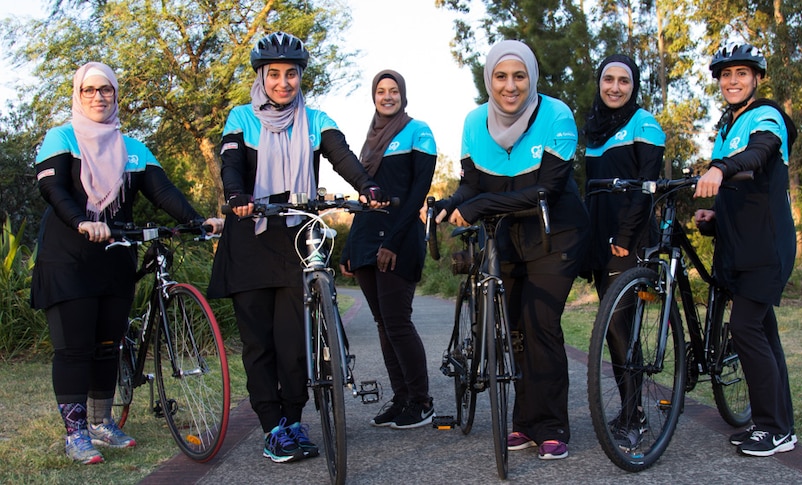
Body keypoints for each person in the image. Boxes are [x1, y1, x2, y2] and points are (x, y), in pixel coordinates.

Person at [207, 32, 387, 464]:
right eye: (274, 74)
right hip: (249, 237)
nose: (283, 82)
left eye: (291, 74)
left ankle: (294, 420)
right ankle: (272, 428)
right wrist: (236, 197)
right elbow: (231, 163)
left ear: (300, 76)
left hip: (294, 239)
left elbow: (343, 157)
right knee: (259, 343)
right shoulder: (241, 118)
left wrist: (367, 186)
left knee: (294, 342)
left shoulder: (316, 119)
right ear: (261, 76)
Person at [31, 62, 223, 465]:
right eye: (89, 90)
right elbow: (52, 188)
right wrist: (82, 221)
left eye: (106, 90)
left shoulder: (131, 148)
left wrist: (195, 220)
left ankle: (102, 424)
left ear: (116, 96)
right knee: (74, 348)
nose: (98, 97)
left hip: (115, 259)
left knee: (108, 345)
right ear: (78, 95)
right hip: (68, 258)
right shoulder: (62, 139)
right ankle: (75, 433)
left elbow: (162, 190)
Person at [434, 40, 590, 460]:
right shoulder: (473, 121)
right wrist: (451, 202)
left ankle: (553, 425)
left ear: (532, 78)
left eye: (519, 76)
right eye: (500, 76)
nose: (510, 85)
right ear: (489, 79)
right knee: (514, 332)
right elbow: (472, 184)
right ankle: (524, 422)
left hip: (555, 233)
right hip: (505, 237)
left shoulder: (556, 114)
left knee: (540, 325)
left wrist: (479, 206)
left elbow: (546, 190)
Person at [694, 42, 797, 457]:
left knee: (746, 329)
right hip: (740, 246)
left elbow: (759, 154)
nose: (732, 81)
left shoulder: (766, 117)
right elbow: (740, 191)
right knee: (764, 334)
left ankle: (770, 428)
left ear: (756, 78)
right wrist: (714, 218)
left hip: (766, 246)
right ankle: (780, 427)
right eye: (726, 74)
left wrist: (719, 167)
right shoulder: (726, 126)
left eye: (741, 73)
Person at [339, 70, 437, 429]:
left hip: (400, 236)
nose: (387, 96)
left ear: (403, 94)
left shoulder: (418, 131)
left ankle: (422, 400)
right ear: (374, 97)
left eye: (393, 90)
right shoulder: (370, 138)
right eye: (381, 91)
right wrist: (350, 244)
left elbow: (417, 194)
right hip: (365, 236)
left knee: (397, 321)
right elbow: (364, 198)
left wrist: (392, 242)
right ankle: (402, 398)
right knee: (383, 324)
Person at [583, 54, 665, 451]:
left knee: (620, 330)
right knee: (613, 333)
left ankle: (634, 418)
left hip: (628, 242)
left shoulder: (644, 124)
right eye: (608, 79)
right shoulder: (593, 129)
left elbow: (647, 186)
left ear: (635, 87)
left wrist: (626, 235)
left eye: (624, 81)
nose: (615, 87)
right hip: (598, 241)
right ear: (599, 83)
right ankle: (633, 411)